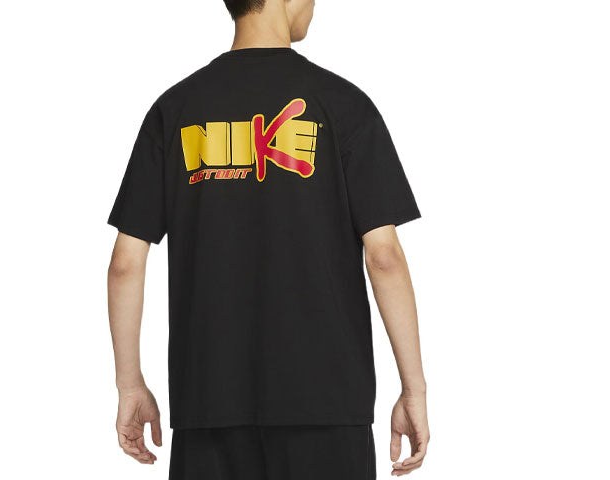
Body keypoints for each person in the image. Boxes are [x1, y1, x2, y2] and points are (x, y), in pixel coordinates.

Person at [107, 0, 429, 478]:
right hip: (327, 404)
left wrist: (130, 385)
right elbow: (384, 257)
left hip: (208, 404)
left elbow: (125, 264)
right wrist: (414, 388)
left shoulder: (175, 110)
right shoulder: (342, 104)